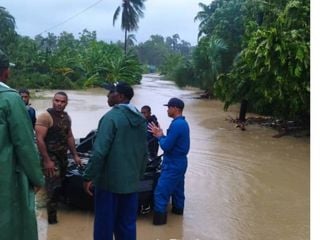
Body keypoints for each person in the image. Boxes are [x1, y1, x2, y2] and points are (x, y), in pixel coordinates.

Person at [83, 82, 148, 240]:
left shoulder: (111, 117)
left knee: (104, 226)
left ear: (120, 96)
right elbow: (144, 152)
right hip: (131, 183)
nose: (107, 95)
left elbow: (99, 152)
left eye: (111, 92)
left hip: (109, 183)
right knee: (127, 225)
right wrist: (137, 176)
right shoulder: (140, 119)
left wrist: (88, 176)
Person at [0, 50, 44, 240]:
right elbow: (25, 145)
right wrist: (37, 178)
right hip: (6, 178)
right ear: (6, 71)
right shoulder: (10, 99)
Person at [35, 91, 82, 224]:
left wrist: (75, 155)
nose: (59, 104)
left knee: (59, 185)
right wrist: (47, 160)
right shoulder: (45, 117)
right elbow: (39, 139)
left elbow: (69, 137)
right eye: (57, 100)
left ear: (66, 103)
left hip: (63, 157)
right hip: (50, 158)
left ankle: (52, 208)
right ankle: (52, 221)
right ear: (53, 101)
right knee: (53, 188)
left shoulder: (66, 117)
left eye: (62, 101)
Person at [148, 97, 190, 225]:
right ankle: (178, 216)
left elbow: (166, 146)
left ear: (176, 109)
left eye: (169, 107)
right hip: (180, 162)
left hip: (172, 163)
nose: (167, 110)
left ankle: (159, 225)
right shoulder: (183, 123)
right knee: (178, 191)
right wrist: (162, 135)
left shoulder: (177, 124)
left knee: (160, 193)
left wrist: (159, 136)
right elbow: (172, 142)